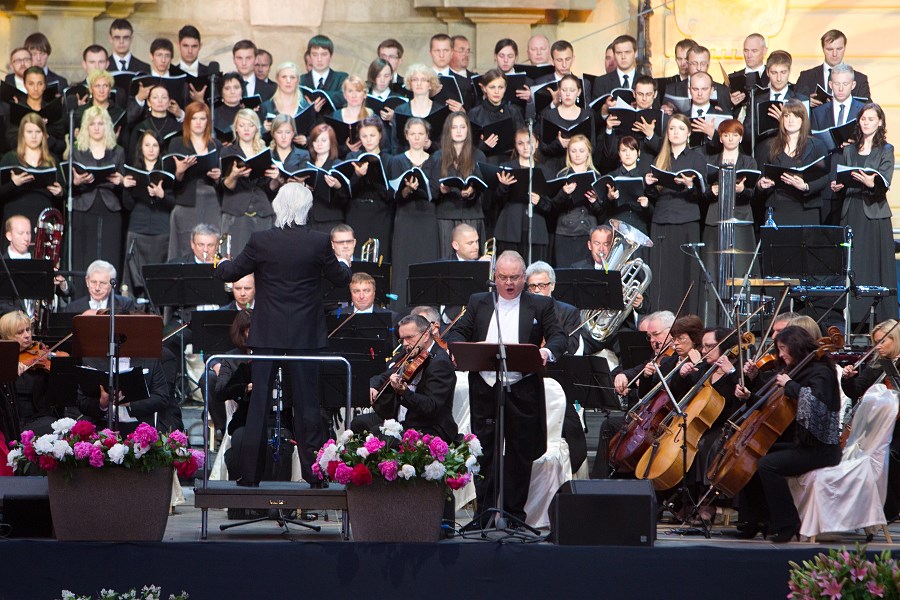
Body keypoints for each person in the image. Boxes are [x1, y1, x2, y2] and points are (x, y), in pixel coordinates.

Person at [215, 182, 351, 487]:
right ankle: (314, 475)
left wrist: (221, 261)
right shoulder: (318, 242)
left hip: (267, 334)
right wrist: (344, 261)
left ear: (278, 207)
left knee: (259, 403)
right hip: (305, 335)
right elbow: (341, 278)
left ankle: (250, 476)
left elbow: (230, 272)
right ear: (306, 209)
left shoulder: (261, 240)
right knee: (307, 404)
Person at [443, 250, 566, 527]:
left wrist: (546, 352)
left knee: (520, 454)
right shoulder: (479, 302)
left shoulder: (540, 304)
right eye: (502, 277)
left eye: (515, 277)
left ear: (524, 277)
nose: (509, 283)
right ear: (494, 277)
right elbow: (457, 332)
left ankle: (513, 516)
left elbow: (559, 337)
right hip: (485, 387)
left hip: (522, 389)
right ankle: (484, 515)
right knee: (484, 451)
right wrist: (458, 348)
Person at [733, 326, 842, 542]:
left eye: (783, 348)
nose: (780, 354)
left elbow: (818, 406)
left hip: (820, 448)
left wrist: (791, 385)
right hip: (802, 443)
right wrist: (750, 393)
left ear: (796, 346)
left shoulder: (821, 372)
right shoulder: (795, 370)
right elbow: (773, 406)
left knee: (768, 465)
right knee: (751, 454)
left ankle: (787, 523)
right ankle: (756, 519)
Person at [829, 103, 896, 324]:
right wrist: (838, 186)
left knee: (875, 264)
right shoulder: (849, 150)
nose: (866, 123)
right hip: (852, 210)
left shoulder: (886, 149)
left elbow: (884, 182)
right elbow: (843, 177)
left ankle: (882, 320)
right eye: (863, 119)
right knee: (854, 263)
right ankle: (854, 317)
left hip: (874, 213)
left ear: (880, 122)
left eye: (871, 119)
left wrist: (871, 183)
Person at [353, 314, 458, 443]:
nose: (405, 343)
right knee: (358, 424)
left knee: (378, 435)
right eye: (402, 339)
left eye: (409, 337)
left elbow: (431, 407)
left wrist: (404, 392)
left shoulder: (440, 363)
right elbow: (386, 374)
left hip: (428, 425)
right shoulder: (409, 352)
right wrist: (373, 385)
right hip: (401, 417)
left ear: (425, 335)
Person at [643, 113, 706, 315]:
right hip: (662, 220)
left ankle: (687, 319)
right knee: (663, 273)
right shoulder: (660, 158)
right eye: (672, 129)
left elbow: (703, 195)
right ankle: (661, 319)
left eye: (680, 128)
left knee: (686, 273)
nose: (676, 132)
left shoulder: (697, 158)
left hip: (687, 220)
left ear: (688, 133)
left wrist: (689, 185)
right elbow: (654, 196)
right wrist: (649, 185)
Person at [840, 319, 900, 519]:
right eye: (876, 342)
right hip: (875, 428)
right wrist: (847, 379)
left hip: (897, 429)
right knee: (855, 453)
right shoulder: (875, 365)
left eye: (883, 341)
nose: (878, 346)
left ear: (896, 339)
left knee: (888, 455)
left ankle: (889, 509)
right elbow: (855, 391)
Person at [69, 107, 126, 287]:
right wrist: (76, 182)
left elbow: (123, 182)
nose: (96, 127)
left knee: (109, 254)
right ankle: (82, 297)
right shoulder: (77, 150)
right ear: (86, 127)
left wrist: (121, 180)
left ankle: (110, 300)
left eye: (100, 123)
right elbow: (68, 183)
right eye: (92, 124)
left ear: (107, 126)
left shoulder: (117, 151)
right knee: (83, 256)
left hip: (110, 208)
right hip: (83, 206)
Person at [388, 118, 439, 313]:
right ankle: (401, 312)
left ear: (426, 137)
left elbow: (435, 193)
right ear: (406, 136)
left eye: (421, 134)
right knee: (404, 265)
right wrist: (408, 189)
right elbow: (395, 195)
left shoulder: (434, 160)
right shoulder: (397, 160)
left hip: (427, 218)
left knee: (426, 264)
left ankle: (427, 311)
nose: (417, 138)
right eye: (413, 134)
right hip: (406, 217)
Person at [757, 99, 829, 225]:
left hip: (806, 209)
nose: (791, 120)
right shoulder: (770, 146)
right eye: (786, 116)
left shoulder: (816, 145)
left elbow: (824, 177)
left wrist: (805, 186)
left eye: (796, 116)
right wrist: (761, 185)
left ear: (803, 120)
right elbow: (761, 176)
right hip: (778, 209)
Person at [121, 130, 174, 298]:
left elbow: (174, 204)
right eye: (147, 145)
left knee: (158, 274)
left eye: (155, 145)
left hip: (161, 228)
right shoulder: (133, 170)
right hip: (138, 226)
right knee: (134, 272)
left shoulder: (167, 170)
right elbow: (128, 205)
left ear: (160, 148)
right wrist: (126, 187)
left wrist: (162, 195)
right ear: (141, 148)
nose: (151, 149)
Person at [167, 101, 223, 260]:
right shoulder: (177, 143)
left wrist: (218, 177)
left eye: (202, 118)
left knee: (212, 245)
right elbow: (170, 182)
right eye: (194, 118)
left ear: (208, 121)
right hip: (186, 200)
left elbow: (222, 180)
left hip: (211, 200)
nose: (198, 123)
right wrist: (179, 171)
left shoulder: (216, 144)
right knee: (186, 246)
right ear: (188, 121)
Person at [220, 108, 279, 256]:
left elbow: (269, 188)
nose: (246, 129)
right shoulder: (227, 152)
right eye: (242, 125)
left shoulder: (265, 151)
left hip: (261, 209)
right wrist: (234, 175)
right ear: (236, 128)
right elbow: (226, 187)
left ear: (256, 128)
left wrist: (276, 179)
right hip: (235, 209)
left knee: (263, 256)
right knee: (235, 255)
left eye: (250, 125)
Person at [493, 127, 553, 262]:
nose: (526, 147)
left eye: (529, 142)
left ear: (536, 144)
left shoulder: (545, 171)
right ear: (515, 145)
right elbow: (496, 200)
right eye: (520, 143)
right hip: (510, 229)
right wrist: (504, 186)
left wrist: (540, 201)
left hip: (536, 230)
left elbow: (551, 206)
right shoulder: (506, 167)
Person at [434, 112, 487, 251]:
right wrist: (441, 190)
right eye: (454, 127)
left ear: (468, 130)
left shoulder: (478, 155)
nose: (458, 131)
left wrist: (472, 191)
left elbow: (484, 187)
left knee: (471, 257)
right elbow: (432, 188)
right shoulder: (438, 156)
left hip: (471, 214)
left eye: (462, 127)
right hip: (446, 215)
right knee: (447, 258)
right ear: (448, 130)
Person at [0, 112, 63, 228]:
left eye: (38, 132)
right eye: (29, 132)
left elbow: (63, 192)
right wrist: (13, 184)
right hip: (15, 217)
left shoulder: (52, 160)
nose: (34, 136)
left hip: (43, 216)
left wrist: (60, 192)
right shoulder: (10, 158)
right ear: (22, 134)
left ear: (44, 134)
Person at [344, 117, 393, 259]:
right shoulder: (352, 157)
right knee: (356, 257)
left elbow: (391, 195)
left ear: (380, 135)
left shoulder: (389, 159)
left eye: (372, 135)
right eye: (364, 136)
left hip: (380, 214)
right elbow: (346, 191)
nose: (368, 140)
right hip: (356, 213)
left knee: (379, 258)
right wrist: (357, 176)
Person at [551, 134, 602, 268]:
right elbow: (553, 206)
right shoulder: (562, 175)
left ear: (588, 152)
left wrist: (594, 201)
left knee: (585, 273)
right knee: (564, 272)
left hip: (587, 231)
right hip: (565, 232)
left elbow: (601, 211)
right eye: (573, 151)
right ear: (568, 153)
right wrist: (564, 193)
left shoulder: (596, 176)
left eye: (581, 151)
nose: (577, 154)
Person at [795, 30, 871, 105]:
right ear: (823, 49)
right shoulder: (806, 77)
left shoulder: (860, 79)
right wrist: (805, 103)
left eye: (839, 49)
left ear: (844, 48)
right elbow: (793, 104)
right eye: (830, 49)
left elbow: (869, 108)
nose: (834, 54)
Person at [467, 69, 526, 164]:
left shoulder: (513, 111)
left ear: (505, 88)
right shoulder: (475, 114)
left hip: (511, 161)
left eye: (500, 87)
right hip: (485, 162)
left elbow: (523, 138)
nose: (497, 91)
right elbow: (468, 145)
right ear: (484, 88)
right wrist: (483, 146)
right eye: (492, 87)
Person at [598, 135, 652, 235]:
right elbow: (601, 210)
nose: (628, 154)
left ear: (638, 153)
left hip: (638, 227)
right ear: (619, 153)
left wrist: (646, 205)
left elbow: (654, 211)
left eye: (632, 149)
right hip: (615, 227)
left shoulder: (646, 177)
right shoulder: (611, 176)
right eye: (624, 150)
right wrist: (609, 198)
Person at [538, 73, 594, 161]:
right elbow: (543, 148)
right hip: (555, 163)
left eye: (572, 90)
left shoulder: (587, 115)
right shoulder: (548, 115)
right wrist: (558, 144)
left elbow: (592, 146)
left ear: (579, 92)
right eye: (564, 90)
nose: (568, 94)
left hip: (580, 163)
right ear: (559, 91)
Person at [306, 122, 348, 233]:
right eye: (316, 140)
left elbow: (345, 198)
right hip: (308, 219)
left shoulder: (337, 165)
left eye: (323, 140)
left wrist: (338, 186)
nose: (319, 144)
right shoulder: (306, 165)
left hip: (330, 219)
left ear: (331, 142)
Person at [63, 259, 136, 314]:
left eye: (103, 283)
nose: (97, 288)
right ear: (87, 281)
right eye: (93, 282)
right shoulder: (73, 308)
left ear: (113, 283)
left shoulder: (125, 305)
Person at [300, 35, 348, 109]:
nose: (319, 59)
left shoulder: (341, 78)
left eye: (324, 54)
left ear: (331, 56)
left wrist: (321, 98)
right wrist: (309, 110)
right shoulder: (301, 80)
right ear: (310, 56)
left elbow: (343, 98)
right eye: (315, 55)